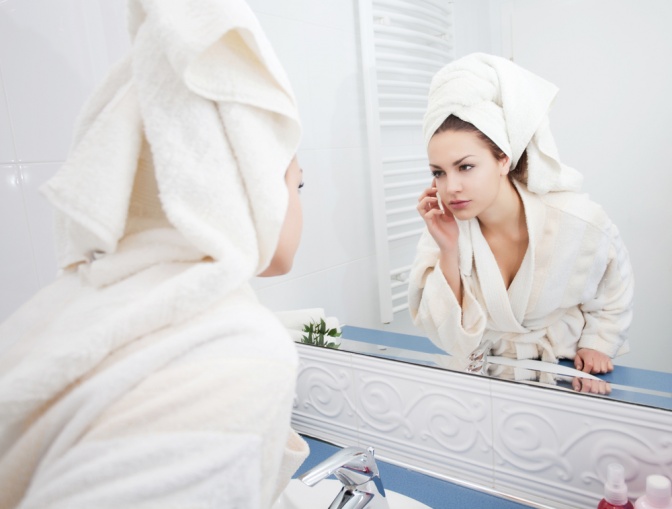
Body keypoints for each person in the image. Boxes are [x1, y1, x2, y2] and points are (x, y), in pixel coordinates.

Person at [0, 0, 309, 507]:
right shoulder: (239, 348)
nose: (298, 205)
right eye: (298, 183)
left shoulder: (86, 301)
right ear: (253, 188)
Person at [409, 53, 634, 394]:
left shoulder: (578, 220)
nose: (450, 186)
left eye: (465, 166)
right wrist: (448, 249)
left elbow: (613, 289)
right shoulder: (444, 228)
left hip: (563, 373)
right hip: (485, 379)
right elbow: (445, 334)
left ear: (504, 159)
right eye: (438, 172)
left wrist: (599, 342)